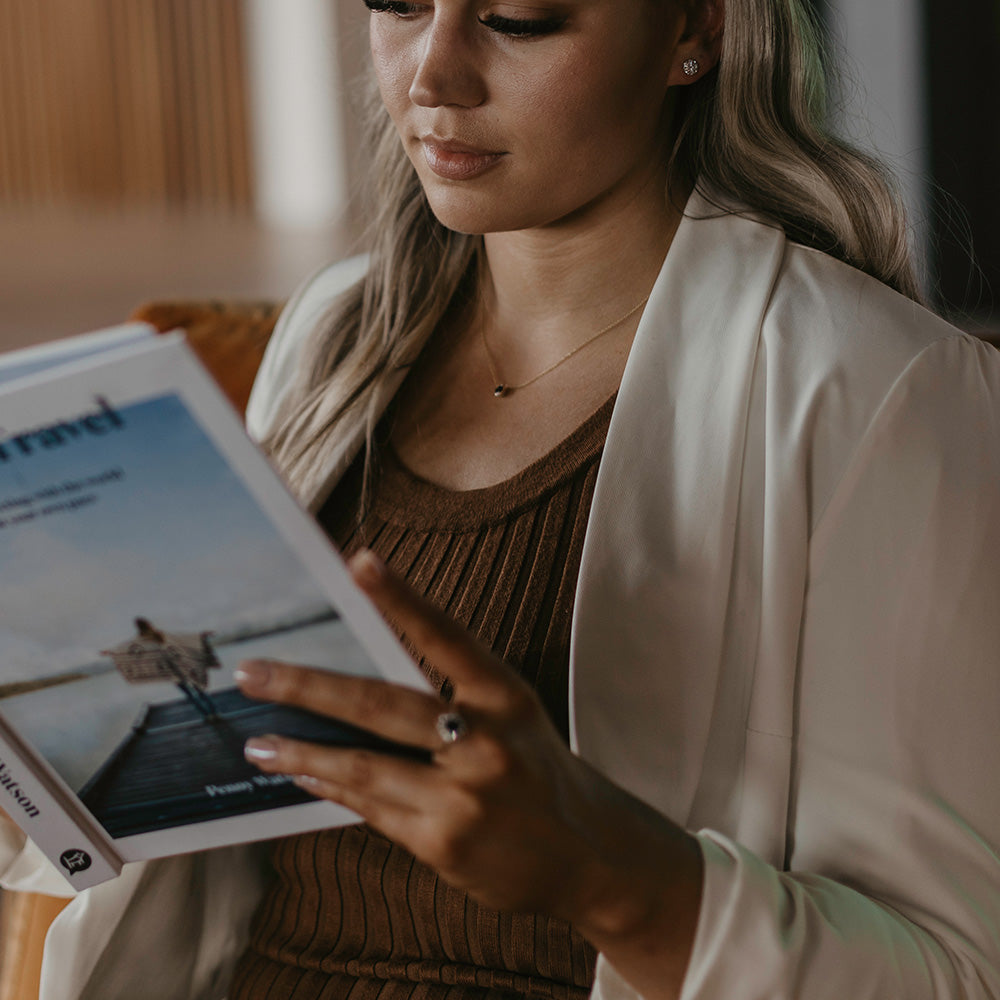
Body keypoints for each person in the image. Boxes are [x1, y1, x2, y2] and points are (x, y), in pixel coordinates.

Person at [4, 0, 1000, 997]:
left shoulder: (884, 394)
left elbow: (955, 974)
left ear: (696, 31)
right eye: (397, 4)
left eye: (518, 19)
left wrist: (603, 872)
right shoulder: (334, 334)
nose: (432, 74)